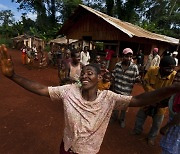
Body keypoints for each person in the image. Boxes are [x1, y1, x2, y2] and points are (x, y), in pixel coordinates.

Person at [0, 45, 180, 154]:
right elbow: (40, 89)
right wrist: (13, 76)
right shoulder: (69, 90)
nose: (85, 76)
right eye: (83, 73)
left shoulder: (108, 98)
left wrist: (172, 89)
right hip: (67, 146)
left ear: (98, 77)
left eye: (90, 73)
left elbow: (138, 100)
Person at [132, 56, 177, 146]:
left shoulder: (174, 75)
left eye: (172, 68)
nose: (170, 70)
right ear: (160, 66)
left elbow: (173, 92)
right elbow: (145, 83)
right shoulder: (152, 70)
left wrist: (158, 99)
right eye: (168, 68)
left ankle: (151, 137)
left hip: (161, 104)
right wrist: (157, 95)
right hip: (148, 100)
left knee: (157, 122)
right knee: (140, 116)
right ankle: (137, 130)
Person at [111, 48, 139, 128]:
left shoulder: (134, 67)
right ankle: (114, 117)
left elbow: (136, 79)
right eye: (127, 56)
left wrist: (138, 80)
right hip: (116, 90)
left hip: (126, 92)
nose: (129, 58)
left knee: (124, 108)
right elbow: (113, 76)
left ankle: (122, 120)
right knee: (115, 106)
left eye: (130, 56)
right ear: (123, 56)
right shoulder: (117, 65)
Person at [160, 70, 180, 154]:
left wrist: (167, 126)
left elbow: (179, 116)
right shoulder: (176, 91)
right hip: (175, 124)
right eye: (176, 77)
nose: (177, 79)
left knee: (170, 149)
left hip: (176, 127)